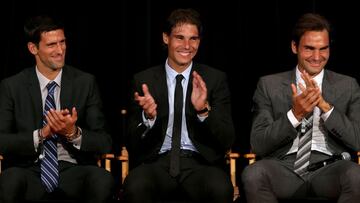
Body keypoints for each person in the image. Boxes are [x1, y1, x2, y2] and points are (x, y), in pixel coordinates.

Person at [241, 13, 360, 202]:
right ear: (294, 47)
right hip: (284, 167)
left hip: (330, 167)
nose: (317, 57)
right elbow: (258, 143)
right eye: (309, 49)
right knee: (253, 174)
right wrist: (294, 115)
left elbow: (357, 140)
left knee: (356, 176)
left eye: (323, 49)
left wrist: (326, 108)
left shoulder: (348, 85)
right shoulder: (269, 85)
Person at [123, 8, 235, 203]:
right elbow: (131, 140)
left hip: (200, 163)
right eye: (180, 38)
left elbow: (227, 139)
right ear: (166, 38)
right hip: (156, 162)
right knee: (136, 187)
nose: (187, 46)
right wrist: (148, 118)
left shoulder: (214, 79)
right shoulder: (144, 80)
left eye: (193, 39)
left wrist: (203, 110)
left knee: (220, 188)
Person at [0, 15, 114, 203]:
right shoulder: (12, 86)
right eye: (51, 45)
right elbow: (2, 140)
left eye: (62, 42)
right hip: (28, 170)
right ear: (33, 48)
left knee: (102, 180)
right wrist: (42, 134)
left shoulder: (85, 83)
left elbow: (104, 141)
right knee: (9, 181)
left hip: (72, 169)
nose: (60, 50)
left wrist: (73, 132)